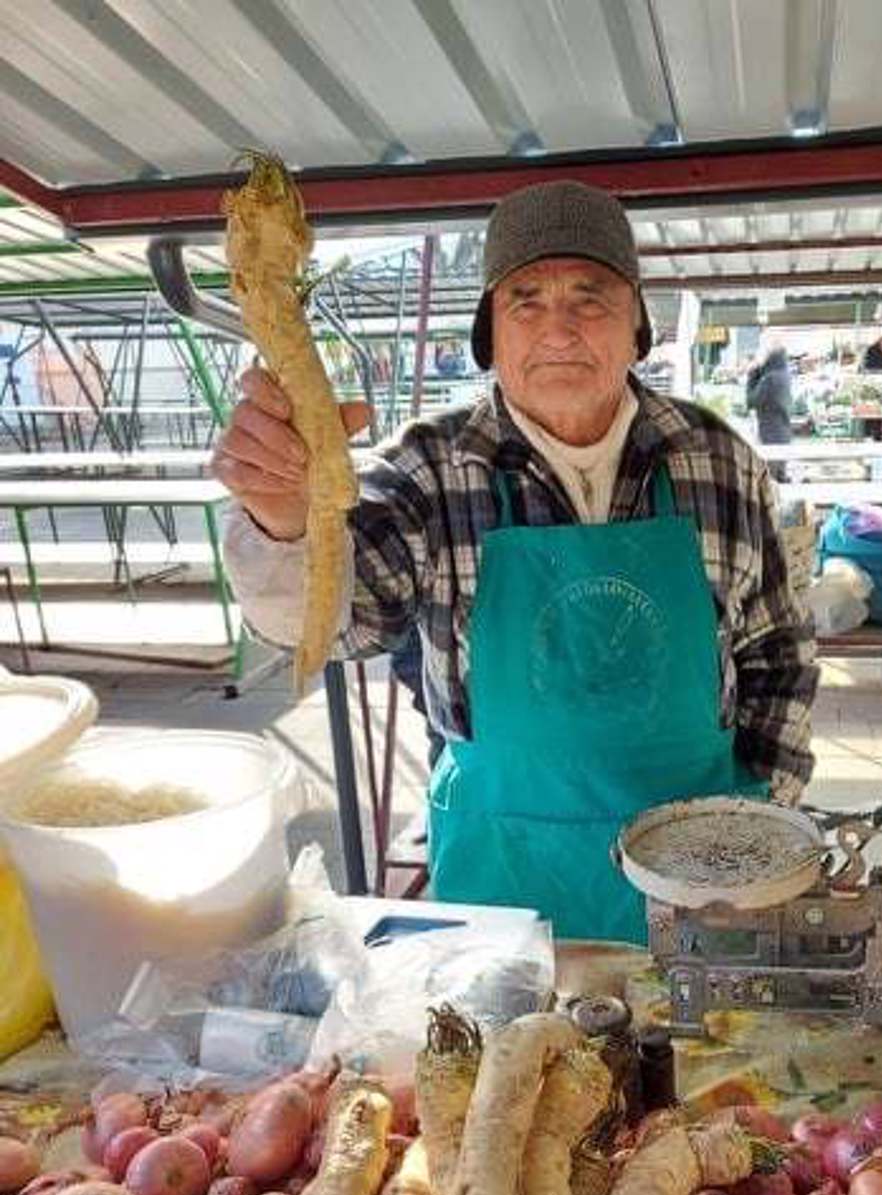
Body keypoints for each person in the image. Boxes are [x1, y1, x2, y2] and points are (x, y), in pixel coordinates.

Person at [214, 180, 817, 943]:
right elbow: (328, 624)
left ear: (637, 325)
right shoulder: (433, 469)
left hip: (701, 877)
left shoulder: (719, 461)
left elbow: (779, 653)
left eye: (590, 297)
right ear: (489, 335)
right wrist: (282, 516)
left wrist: (761, 817)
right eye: (525, 299)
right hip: (503, 877)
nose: (558, 327)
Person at [744, 343, 793, 482]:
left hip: (770, 433)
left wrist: (752, 376)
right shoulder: (783, 374)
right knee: (779, 475)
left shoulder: (770, 379)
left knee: (770, 479)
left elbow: (751, 401)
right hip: (782, 431)